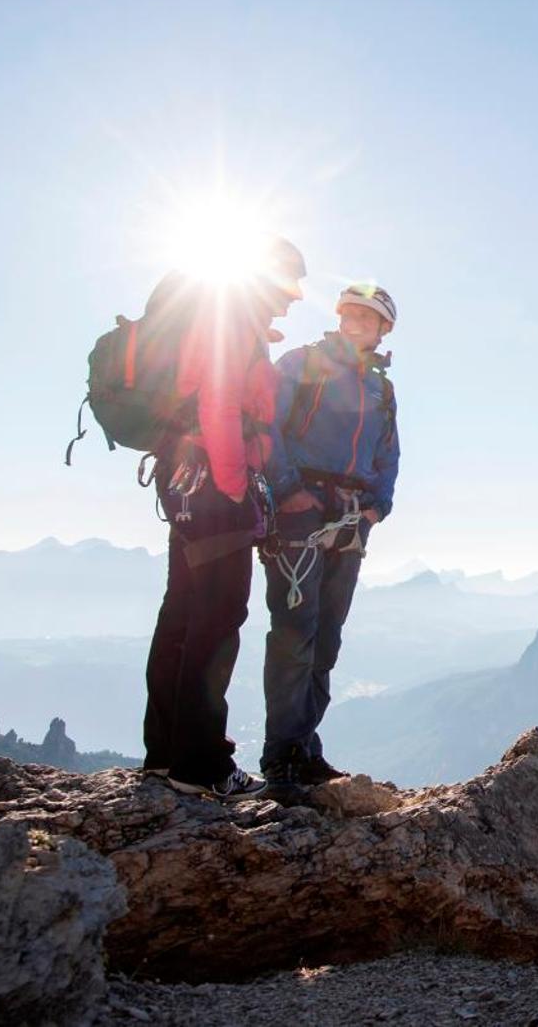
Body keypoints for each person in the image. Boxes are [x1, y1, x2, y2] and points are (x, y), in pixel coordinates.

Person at [141, 236, 311, 799]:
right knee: (216, 619)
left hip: (185, 480)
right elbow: (220, 405)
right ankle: (202, 766)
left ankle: (164, 756)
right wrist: (239, 491)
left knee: (184, 613)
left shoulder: (226, 322)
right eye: (289, 285)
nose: (292, 300)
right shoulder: (232, 325)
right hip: (215, 486)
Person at [259, 282, 400, 792]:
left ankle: (305, 747)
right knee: (296, 630)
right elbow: (264, 425)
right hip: (301, 512)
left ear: (384, 329)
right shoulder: (303, 363)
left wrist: (376, 508)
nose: (359, 321)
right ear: (340, 317)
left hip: (350, 518)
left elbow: (388, 454)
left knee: (327, 638)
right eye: (352, 313)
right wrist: (287, 490)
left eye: (370, 316)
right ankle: (282, 756)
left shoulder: (381, 388)